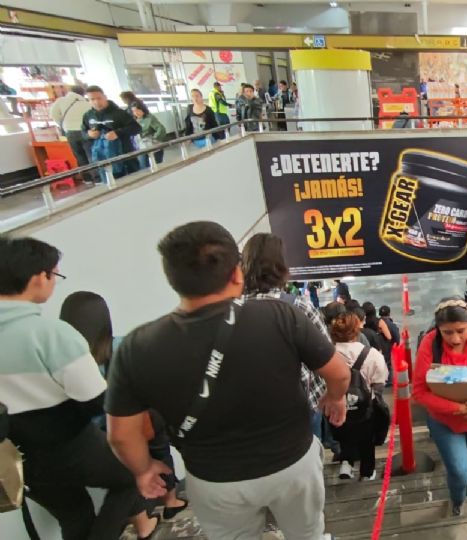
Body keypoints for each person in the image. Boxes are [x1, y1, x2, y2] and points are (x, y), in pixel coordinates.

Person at [104, 221, 351, 540]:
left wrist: (143, 469)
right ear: (236, 273)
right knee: (307, 534)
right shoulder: (280, 315)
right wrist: (335, 397)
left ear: (172, 278)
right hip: (292, 464)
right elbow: (339, 373)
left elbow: (121, 436)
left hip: (213, 480)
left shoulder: (136, 347)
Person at [0, 236, 158, 540]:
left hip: (19, 456)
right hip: (69, 445)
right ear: (39, 277)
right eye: (54, 275)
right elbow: (99, 402)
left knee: (74, 514)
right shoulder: (51, 334)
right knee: (131, 475)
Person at [59, 291, 190, 523]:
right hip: (140, 421)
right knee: (160, 452)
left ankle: (140, 521)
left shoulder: (62, 360)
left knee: (122, 473)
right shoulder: (121, 346)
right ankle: (170, 502)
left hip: (96, 434)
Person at [240, 233, 336, 456]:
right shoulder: (298, 307)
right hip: (299, 409)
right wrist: (331, 396)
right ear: (282, 266)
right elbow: (328, 361)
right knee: (305, 463)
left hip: (250, 411)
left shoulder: (230, 310)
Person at [413, 298, 467, 517]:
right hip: (445, 421)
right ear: (438, 329)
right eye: (447, 332)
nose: (455, 339)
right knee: (459, 470)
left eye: (461, 331)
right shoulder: (430, 344)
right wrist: (459, 409)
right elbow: (419, 391)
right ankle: (458, 499)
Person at [325, 303, 388, 481]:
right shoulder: (371, 354)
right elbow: (380, 382)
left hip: (336, 405)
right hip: (365, 407)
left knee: (344, 435)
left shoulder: (326, 355)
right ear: (356, 331)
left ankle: (346, 464)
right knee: (367, 440)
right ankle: (367, 473)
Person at [81, 85, 142, 183]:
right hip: (103, 160)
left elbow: (136, 128)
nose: (96, 102)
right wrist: (89, 134)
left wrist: (118, 133)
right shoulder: (88, 116)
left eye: (99, 98)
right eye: (92, 99)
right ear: (88, 100)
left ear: (105, 97)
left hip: (125, 158)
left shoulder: (119, 113)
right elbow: (83, 133)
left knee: (133, 183)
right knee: (111, 185)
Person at [50, 84, 94, 182]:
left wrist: (63, 124)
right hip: (85, 131)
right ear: (83, 93)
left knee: (79, 156)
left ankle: (87, 179)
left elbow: (53, 114)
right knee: (90, 154)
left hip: (70, 132)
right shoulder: (86, 102)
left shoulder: (61, 101)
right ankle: (97, 178)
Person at [130, 101, 166, 170]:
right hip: (141, 147)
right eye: (134, 111)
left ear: (142, 109)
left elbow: (161, 129)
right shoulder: (135, 120)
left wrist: (154, 139)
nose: (136, 113)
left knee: (156, 167)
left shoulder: (149, 118)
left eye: (137, 110)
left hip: (152, 146)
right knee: (144, 167)